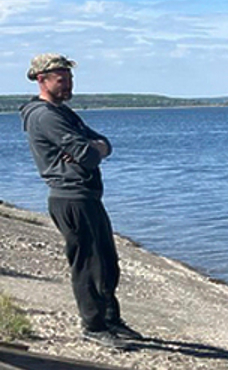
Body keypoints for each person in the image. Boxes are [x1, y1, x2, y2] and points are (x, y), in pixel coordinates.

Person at [20, 53, 141, 349]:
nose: (68, 84)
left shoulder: (64, 113)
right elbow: (87, 156)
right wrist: (90, 149)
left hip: (87, 196)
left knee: (107, 263)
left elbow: (102, 142)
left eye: (70, 78)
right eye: (61, 79)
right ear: (42, 80)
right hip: (70, 197)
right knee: (87, 264)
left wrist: (92, 147)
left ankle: (111, 319)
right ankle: (94, 326)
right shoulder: (45, 116)